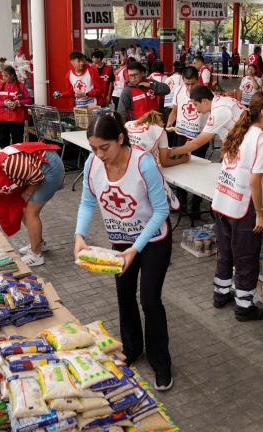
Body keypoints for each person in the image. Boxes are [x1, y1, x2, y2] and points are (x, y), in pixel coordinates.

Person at [75, 112, 174, 391]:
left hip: (153, 239)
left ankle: (161, 362)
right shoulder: (93, 163)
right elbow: (86, 202)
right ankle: (132, 349)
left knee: (150, 299)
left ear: (120, 138)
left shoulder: (143, 164)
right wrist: (79, 235)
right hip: (121, 240)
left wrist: (135, 248)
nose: (99, 154)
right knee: (124, 294)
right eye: (94, 148)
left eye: (104, 147)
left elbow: (161, 210)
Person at [212, 91, 263, 321]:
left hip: (222, 202)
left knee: (226, 253)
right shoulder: (262, 138)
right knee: (246, 258)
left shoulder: (241, 131)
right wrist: (260, 214)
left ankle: (220, 294)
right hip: (242, 207)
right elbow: (254, 180)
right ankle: (243, 306)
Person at [0, 141, 65, 266]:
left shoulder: (7, 164)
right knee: (23, 209)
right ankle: (38, 242)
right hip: (34, 170)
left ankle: (36, 254)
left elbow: (37, 176)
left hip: (49, 167)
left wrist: (27, 193)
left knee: (30, 212)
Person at [165, 66, 208, 214]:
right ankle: (180, 202)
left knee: (197, 170)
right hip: (181, 134)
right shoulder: (178, 90)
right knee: (180, 168)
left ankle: (195, 204)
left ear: (198, 80)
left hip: (199, 138)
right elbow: (175, 111)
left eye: (193, 84)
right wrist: (170, 122)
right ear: (182, 80)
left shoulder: (206, 94)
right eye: (187, 84)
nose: (189, 87)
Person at [170, 85, 245, 158]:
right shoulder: (222, 100)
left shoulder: (219, 111)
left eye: (196, 104)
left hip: (244, 147)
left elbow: (197, 143)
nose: (196, 109)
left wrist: (173, 152)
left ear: (204, 101)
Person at [0, 65, 33, 148]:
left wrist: (18, 102)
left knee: (17, 142)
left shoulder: (21, 86)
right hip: (2, 118)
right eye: (3, 75)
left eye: (6, 76)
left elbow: (29, 100)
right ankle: (5, 159)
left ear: (12, 75)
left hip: (16, 118)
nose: (3, 78)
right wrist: (4, 103)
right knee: (3, 142)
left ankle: (16, 159)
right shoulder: (0, 85)